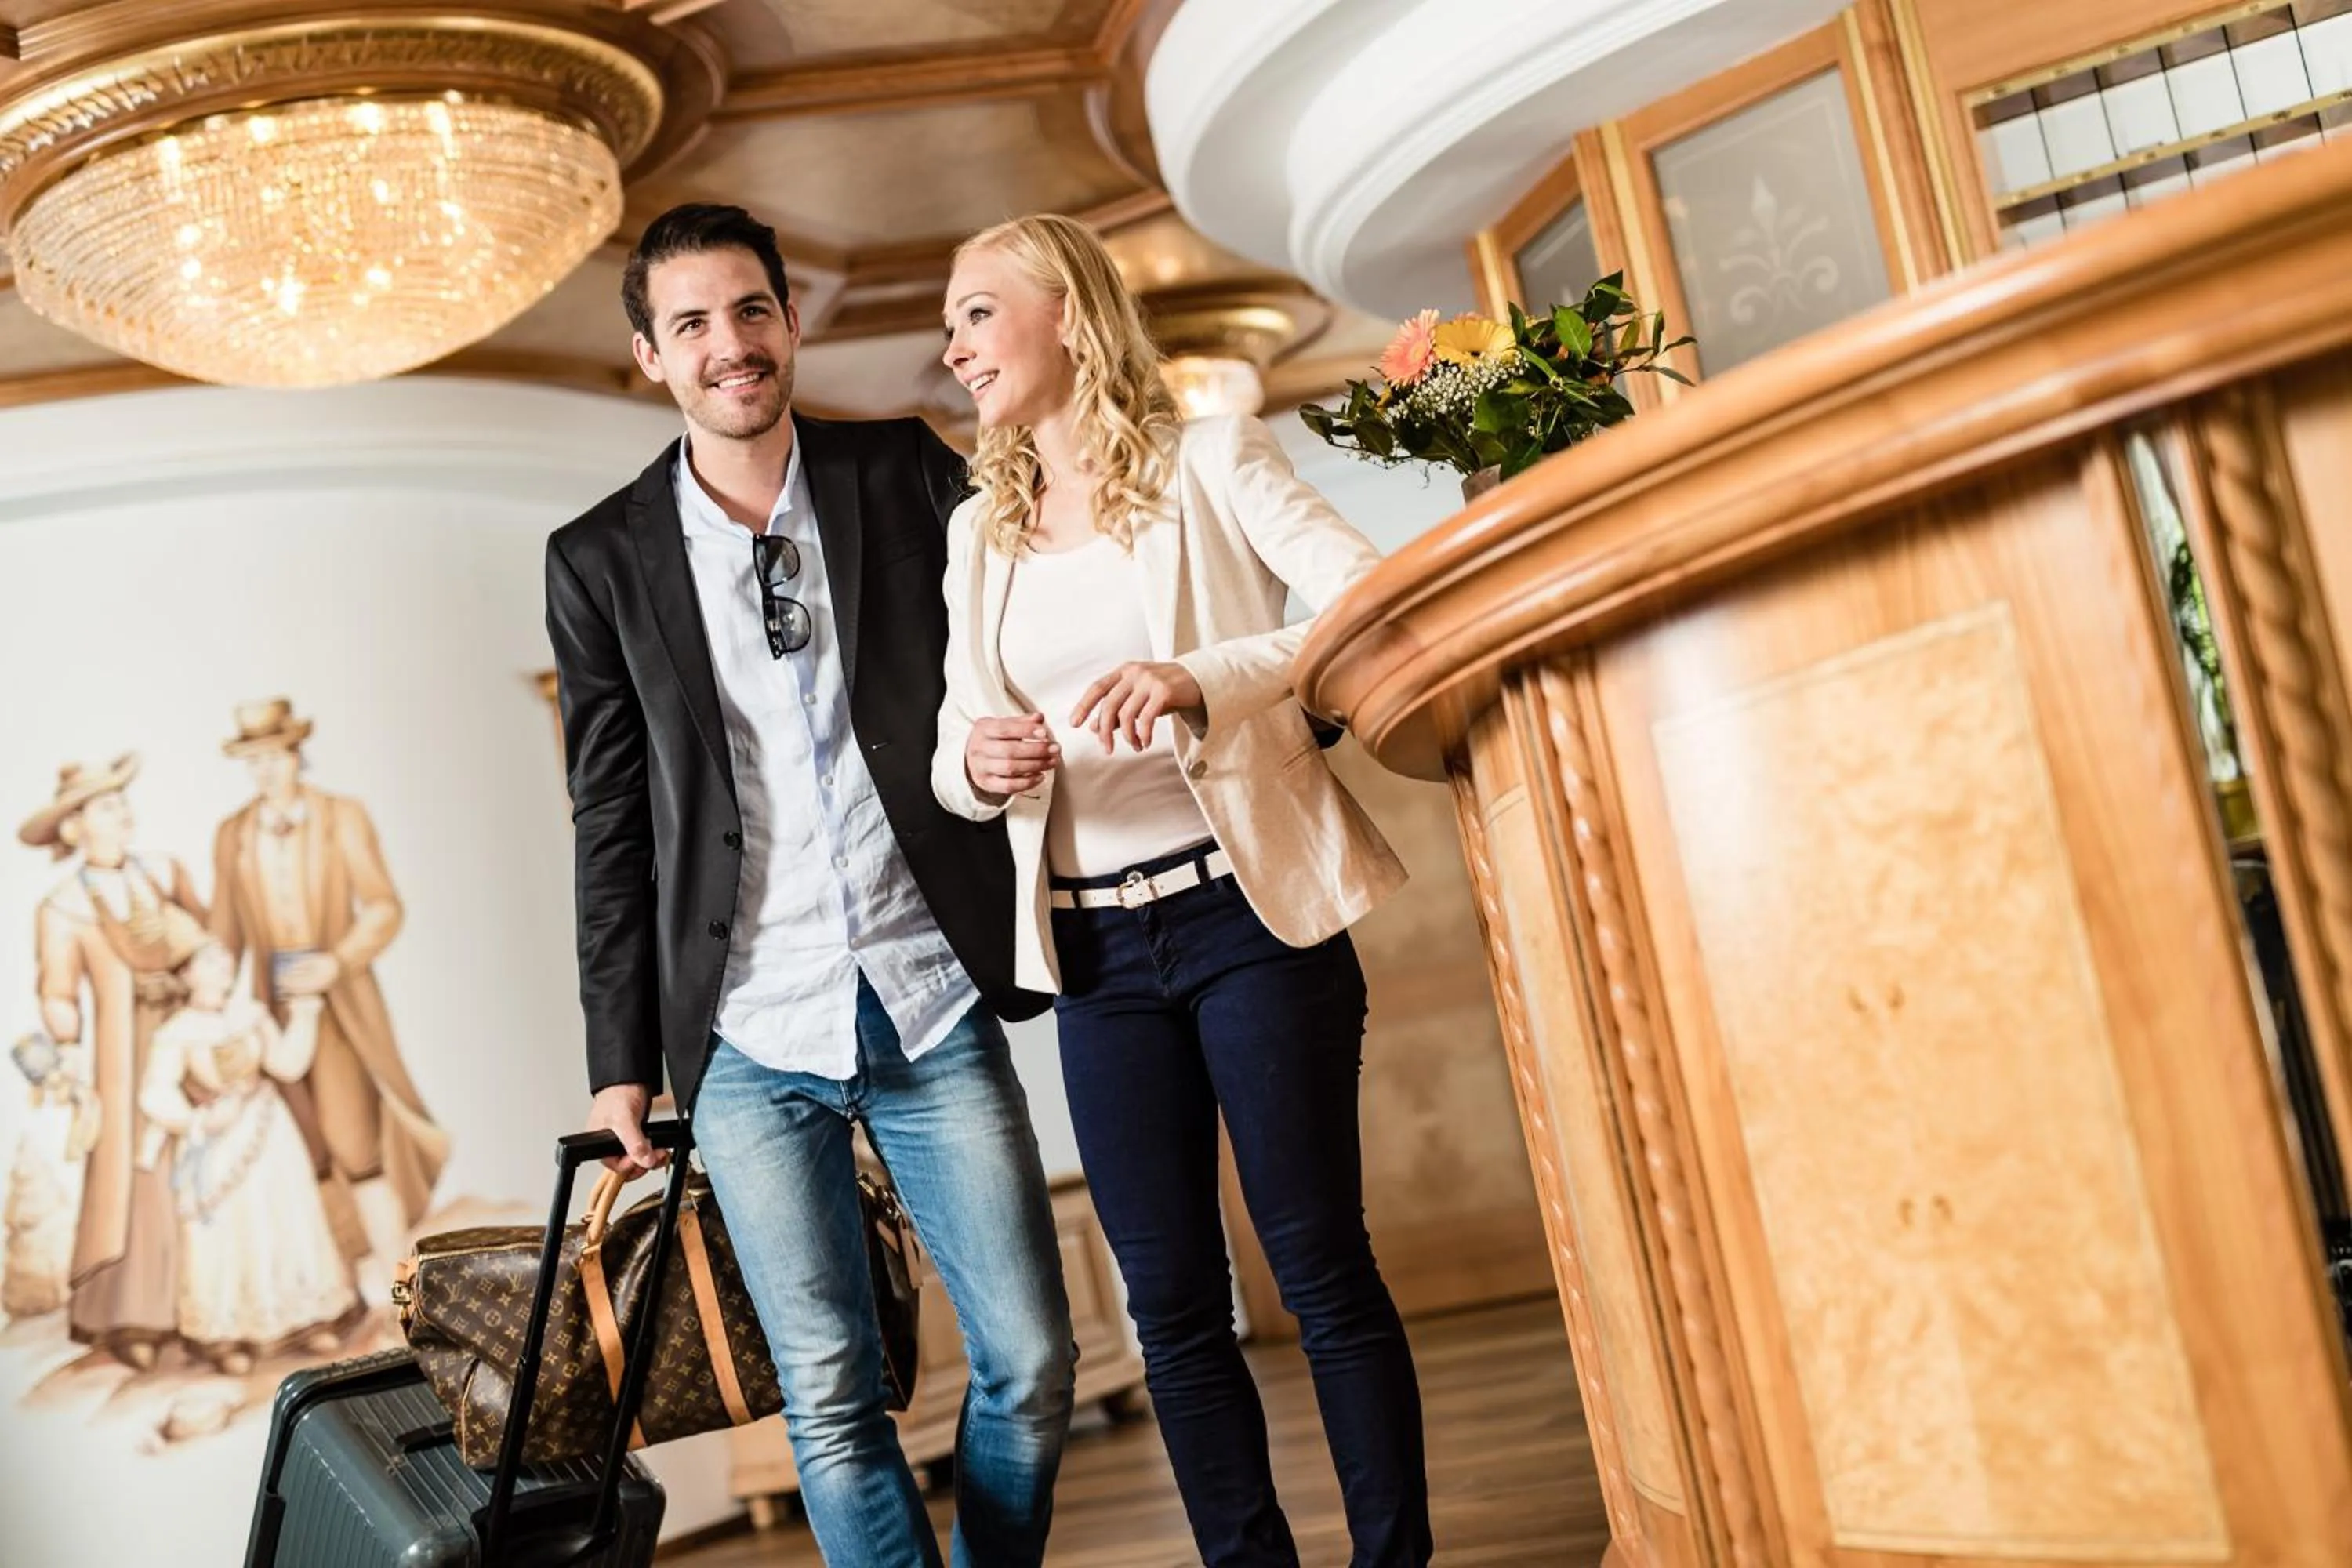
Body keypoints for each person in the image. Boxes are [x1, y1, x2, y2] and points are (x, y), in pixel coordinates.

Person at [544, 201, 1075, 1568]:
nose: (732, 345)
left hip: (926, 990)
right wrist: (620, 1059)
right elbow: (610, 818)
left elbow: (1031, 614)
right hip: (744, 1036)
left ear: (792, 321)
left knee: (1029, 1359)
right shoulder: (598, 560)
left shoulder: (898, 469)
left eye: (752, 311)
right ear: (652, 358)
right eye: (694, 325)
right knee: (832, 1401)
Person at [933, 212, 1432, 1568]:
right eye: (953, 321)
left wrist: (1199, 677)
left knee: (1320, 1266)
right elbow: (950, 749)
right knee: (1169, 1309)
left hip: (1244, 917)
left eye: (980, 311)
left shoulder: (1213, 455)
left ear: (1065, 313)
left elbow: (1359, 597)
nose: (954, 342)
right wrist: (978, 762)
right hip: (1096, 959)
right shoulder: (979, 531)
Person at [210, 697, 448, 1304]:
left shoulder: (341, 817)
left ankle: (401, 1287)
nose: (264, 771)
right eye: (252, 760)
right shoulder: (233, 836)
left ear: (295, 755)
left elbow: (385, 906)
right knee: (303, 1146)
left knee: (357, 1142)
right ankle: (338, 1287)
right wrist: (217, 1013)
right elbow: (225, 936)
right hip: (273, 1009)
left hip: (339, 1006)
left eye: (273, 756)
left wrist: (336, 961)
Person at [18, 756, 202, 1370]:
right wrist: (62, 1048)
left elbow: (205, 943)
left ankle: (208, 1305)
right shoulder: (63, 906)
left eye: (121, 800)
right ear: (73, 828)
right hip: (124, 1049)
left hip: (183, 1031)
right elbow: (59, 991)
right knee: (137, 1174)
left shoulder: (164, 873)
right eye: (104, 805)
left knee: (200, 1158)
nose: (121, 812)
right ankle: (136, 1315)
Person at [137, 941, 359, 1375]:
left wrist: (305, 1014)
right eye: (208, 960)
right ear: (185, 975)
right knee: (233, 1232)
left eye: (223, 958)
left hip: (269, 1131)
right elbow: (154, 1093)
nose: (222, 964)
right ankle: (228, 1337)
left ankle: (306, 1321)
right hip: (218, 1144)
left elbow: (288, 1065)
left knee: (284, 1218)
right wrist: (198, 1121)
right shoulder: (177, 1032)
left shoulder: (251, 1014)